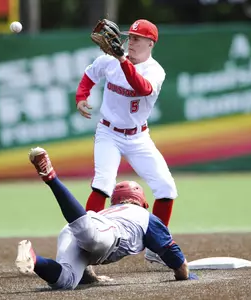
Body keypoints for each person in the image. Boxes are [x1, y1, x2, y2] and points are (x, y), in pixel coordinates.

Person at [15, 147, 197, 290]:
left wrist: (93, 278)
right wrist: (185, 275)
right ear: (142, 202)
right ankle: (51, 178)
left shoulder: (109, 212)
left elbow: (89, 254)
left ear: (115, 201)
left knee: (66, 281)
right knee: (88, 233)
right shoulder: (145, 216)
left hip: (74, 231)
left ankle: (34, 259)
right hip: (97, 231)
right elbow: (176, 260)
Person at [75, 19, 177, 265]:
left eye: (137, 39)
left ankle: (157, 248)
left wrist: (122, 60)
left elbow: (140, 87)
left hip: (138, 137)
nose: (131, 42)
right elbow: (90, 75)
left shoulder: (155, 71)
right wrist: (81, 96)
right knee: (102, 184)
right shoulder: (110, 61)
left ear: (150, 43)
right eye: (129, 37)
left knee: (166, 188)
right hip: (108, 133)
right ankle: (88, 247)